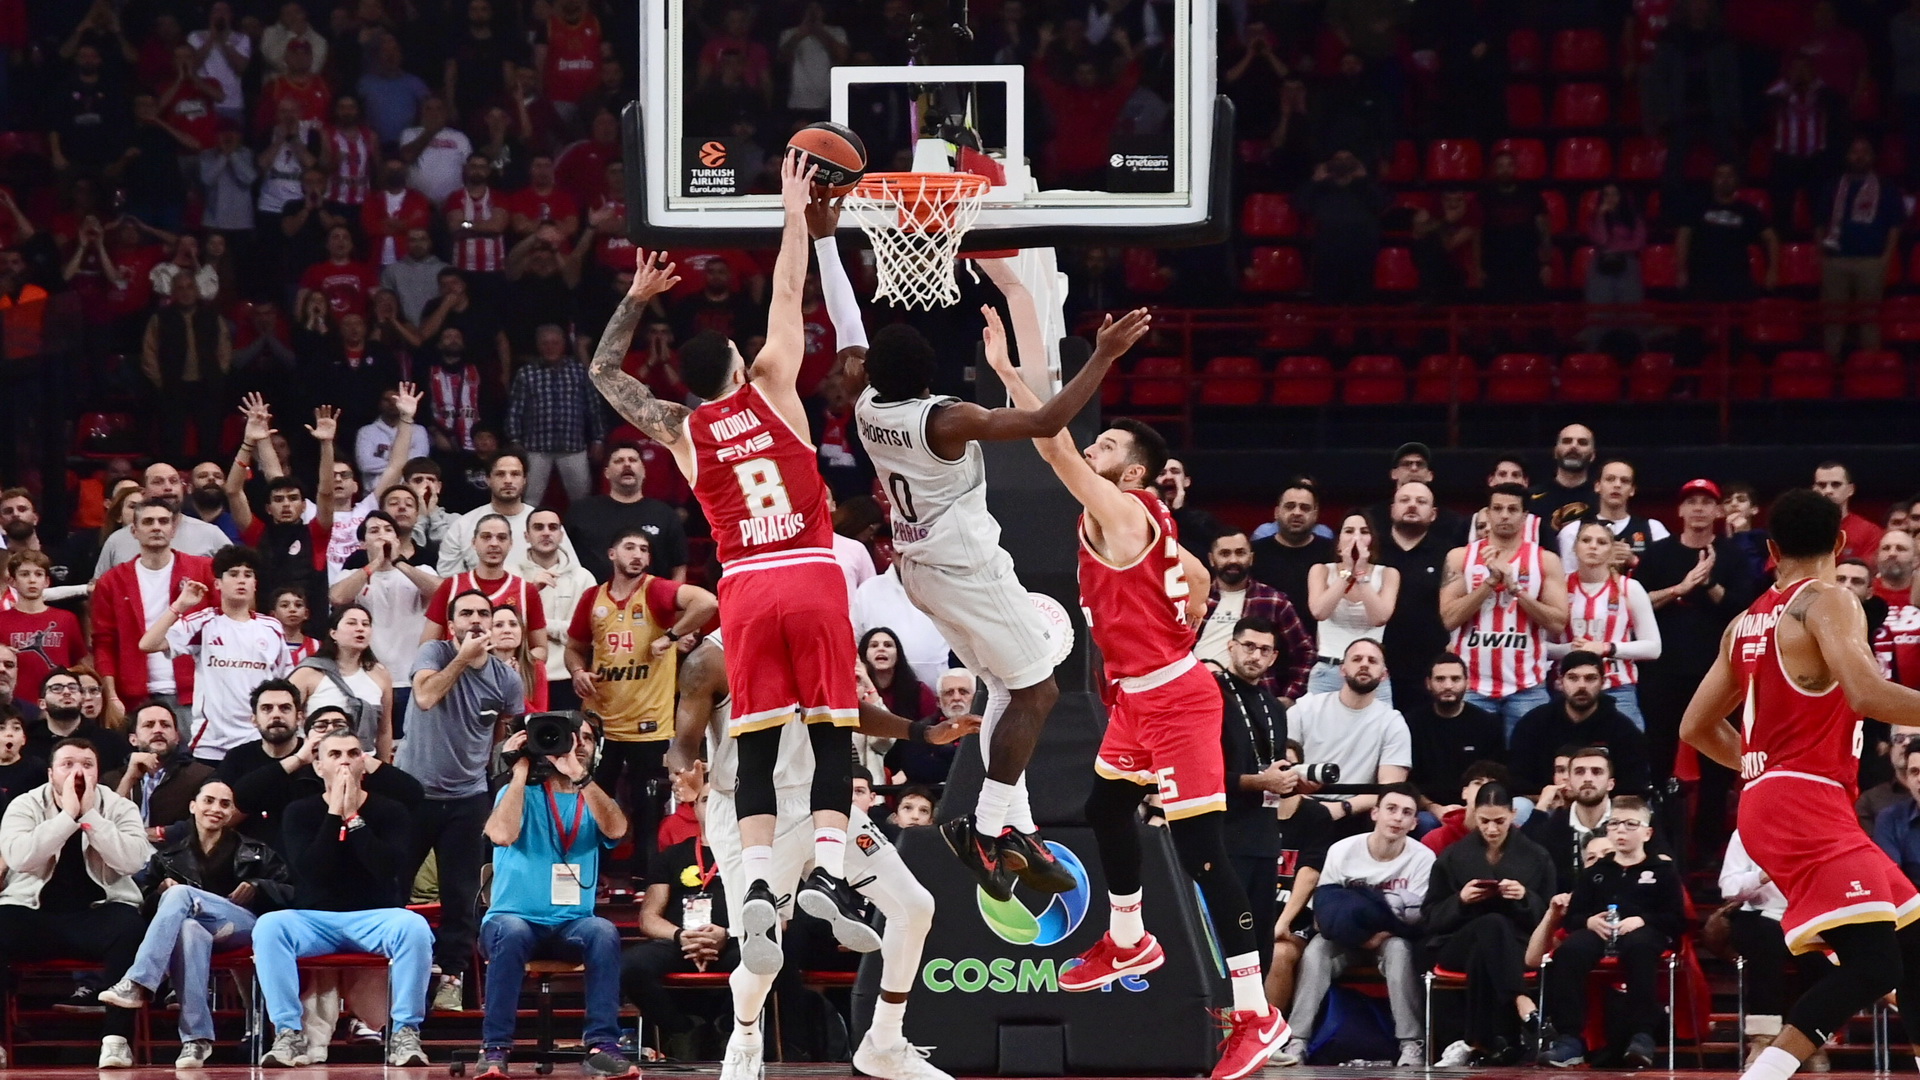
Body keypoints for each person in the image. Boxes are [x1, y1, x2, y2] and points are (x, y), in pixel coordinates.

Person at [586, 156, 870, 975]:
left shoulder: (681, 429)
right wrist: (792, 209)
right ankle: (830, 874)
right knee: (831, 733)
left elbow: (603, 373)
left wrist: (638, 298)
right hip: (809, 569)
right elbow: (788, 288)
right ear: (740, 367)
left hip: (743, 588)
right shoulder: (776, 387)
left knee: (755, 746)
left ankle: (754, 885)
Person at [989, 362, 1286, 1076]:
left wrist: (1006, 373)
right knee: (1106, 806)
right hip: (1138, 697)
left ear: (1133, 474)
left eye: (1108, 444)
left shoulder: (1123, 512)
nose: (1094, 447)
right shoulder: (1133, 520)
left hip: (1177, 702)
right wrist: (1177, 617)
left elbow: (1053, 444)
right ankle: (1129, 940)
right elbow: (1201, 576)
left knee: (1203, 855)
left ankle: (1256, 1014)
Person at [845, 264, 1145, 896]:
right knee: (1038, 691)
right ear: (927, 373)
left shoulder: (865, 406)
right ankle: (985, 830)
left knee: (1004, 686)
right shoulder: (945, 420)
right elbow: (1045, 422)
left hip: (917, 567)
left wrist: (823, 243)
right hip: (966, 571)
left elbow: (852, 349)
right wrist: (1104, 355)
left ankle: (1019, 828)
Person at [1682, 488, 1920, 1080]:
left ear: (1771, 550)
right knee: (1874, 965)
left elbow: (1694, 727)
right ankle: (1762, 1074)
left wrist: (1760, 771)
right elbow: (1866, 693)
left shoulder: (1743, 623)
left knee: (1913, 942)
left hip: (1776, 798)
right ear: (1839, 543)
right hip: (1805, 799)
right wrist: (1781, 776)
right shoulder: (1830, 599)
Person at [664, 631, 968, 1080]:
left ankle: (884, 1041)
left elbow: (847, 710)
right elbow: (683, 741)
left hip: (821, 800)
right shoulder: (710, 659)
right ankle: (744, 1039)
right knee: (763, 956)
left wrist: (919, 731)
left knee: (915, 905)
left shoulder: (814, 634)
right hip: (750, 808)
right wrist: (684, 775)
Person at [253, 728, 432, 1068]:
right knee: (269, 926)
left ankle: (405, 1032)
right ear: (318, 766)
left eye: (353, 754)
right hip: (315, 919)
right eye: (335, 755)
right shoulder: (299, 811)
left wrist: (354, 819)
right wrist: (334, 814)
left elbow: (387, 869)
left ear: (364, 763)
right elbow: (311, 871)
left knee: (415, 927)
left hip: (375, 916)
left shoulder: (391, 810)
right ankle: (288, 1032)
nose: (345, 762)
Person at [477, 719, 638, 1078]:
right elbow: (501, 834)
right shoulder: (519, 793)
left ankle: (602, 1046)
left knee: (602, 931)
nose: (577, 744)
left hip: (571, 925)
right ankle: (494, 1049)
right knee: (512, 930)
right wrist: (520, 771)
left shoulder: (594, 799)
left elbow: (617, 829)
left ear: (597, 750)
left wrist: (580, 777)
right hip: (512, 920)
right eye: (570, 737)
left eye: (586, 739)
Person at [98, 777, 294, 1067]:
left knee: (180, 894)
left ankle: (139, 981)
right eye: (209, 801)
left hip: (242, 927)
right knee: (189, 929)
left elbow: (290, 890)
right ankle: (196, 1039)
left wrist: (258, 885)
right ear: (193, 806)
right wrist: (158, 893)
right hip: (196, 932)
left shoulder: (255, 851)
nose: (216, 808)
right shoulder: (168, 856)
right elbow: (142, 900)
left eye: (224, 804)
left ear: (231, 812)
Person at [396, 589, 525, 1011]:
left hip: (468, 795)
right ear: (451, 624)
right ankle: (390, 976)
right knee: (393, 887)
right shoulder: (433, 653)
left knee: (461, 896)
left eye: (483, 613)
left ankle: (451, 977)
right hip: (414, 791)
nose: (475, 619)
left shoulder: (506, 678)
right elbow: (425, 697)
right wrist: (462, 659)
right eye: (466, 613)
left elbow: (504, 726)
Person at [565, 528, 717, 883]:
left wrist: (670, 636)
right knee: (593, 804)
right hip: (600, 722)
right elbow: (573, 647)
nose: (637, 555)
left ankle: (647, 882)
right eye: (629, 547)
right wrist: (577, 672)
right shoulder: (593, 598)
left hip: (648, 724)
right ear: (611, 554)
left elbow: (708, 602)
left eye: (644, 549)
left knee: (648, 808)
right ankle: (593, 878)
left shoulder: (656, 590)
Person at [0, 739, 154, 1068]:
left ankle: (116, 1041)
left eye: (86, 765)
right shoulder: (25, 804)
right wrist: (67, 816)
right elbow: (19, 858)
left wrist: (89, 817)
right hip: (35, 913)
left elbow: (132, 861)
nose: (77, 772)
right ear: (51, 773)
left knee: (130, 927)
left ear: (98, 773)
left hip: (97, 913)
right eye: (67, 764)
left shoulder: (119, 806)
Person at [1277, 785, 1432, 1068]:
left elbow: (1414, 921)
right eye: (1391, 809)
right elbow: (1322, 916)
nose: (1397, 818)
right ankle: (1297, 1039)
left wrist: (1374, 929)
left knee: (1400, 951)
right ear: (1375, 813)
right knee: (1316, 951)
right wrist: (1366, 928)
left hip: (1388, 939)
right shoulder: (1343, 850)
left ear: (1414, 823)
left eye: (1406, 813)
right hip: (1342, 938)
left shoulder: (1423, 858)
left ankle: (1411, 1044)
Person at [1540, 796, 1685, 1068]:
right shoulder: (1597, 871)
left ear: (1647, 833)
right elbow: (1572, 918)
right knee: (1570, 950)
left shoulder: (1663, 871)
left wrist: (1642, 920)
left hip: (1646, 932)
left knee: (1640, 946)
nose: (1621, 830)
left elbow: (1676, 920)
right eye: (1615, 823)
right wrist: (1589, 921)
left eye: (1631, 824)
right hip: (1601, 931)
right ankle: (1570, 1038)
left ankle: (1642, 1035)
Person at [1424, 782, 1553, 1067]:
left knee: (1487, 943)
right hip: (1458, 940)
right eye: (1484, 821)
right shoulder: (1453, 855)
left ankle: (1476, 1041)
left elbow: (1548, 915)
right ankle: (1521, 1000)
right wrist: (1460, 900)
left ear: (1513, 814)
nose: (1492, 829)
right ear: (1473, 815)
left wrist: (1525, 897)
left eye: (1499, 821)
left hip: (1517, 943)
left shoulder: (1537, 855)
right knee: (1491, 925)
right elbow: (1431, 917)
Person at [139, 545, 291, 764]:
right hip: (211, 744)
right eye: (233, 574)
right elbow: (148, 643)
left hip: (259, 741)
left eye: (248, 575)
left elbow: (284, 683)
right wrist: (180, 605)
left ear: (255, 584)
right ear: (218, 583)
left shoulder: (272, 628)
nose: (241, 580)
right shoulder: (204, 622)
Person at [1440, 484, 1570, 734]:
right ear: (1487, 513)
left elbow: (1557, 623)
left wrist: (1515, 588)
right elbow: (1449, 619)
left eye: (1512, 509)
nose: (1504, 515)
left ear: (1525, 516)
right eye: (1497, 509)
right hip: (1471, 685)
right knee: (1470, 756)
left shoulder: (1546, 560)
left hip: (1527, 686)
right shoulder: (1459, 557)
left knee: (1529, 756)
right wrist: (1490, 582)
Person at [1212, 616, 1295, 979]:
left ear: (1274, 657)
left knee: (1259, 941)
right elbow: (1202, 775)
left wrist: (1291, 782)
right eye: (1248, 646)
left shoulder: (1274, 707)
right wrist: (1261, 781)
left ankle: (1255, 1010)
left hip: (1264, 838)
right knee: (1220, 938)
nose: (1255, 656)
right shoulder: (1212, 695)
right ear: (1231, 646)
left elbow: (1271, 768)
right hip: (1222, 836)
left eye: (1264, 650)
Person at [90, 504, 217, 721]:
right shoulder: (111, 581)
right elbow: (104, 643)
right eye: (148, 522)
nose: (156, 527)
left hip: (196, 691)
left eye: (163, 521)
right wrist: (111, 696)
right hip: (135, 696)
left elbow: (222, 625)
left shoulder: (203, 569)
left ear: (173, 529)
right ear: (134, 531)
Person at [1722, 829, 1821, 1068]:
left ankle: (1809, 1039)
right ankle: (1763, 1038)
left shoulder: (1821, 829)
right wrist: (1762, 876)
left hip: (1812, 915)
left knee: (1822, 955)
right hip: (1760, 914)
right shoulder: (1746, 833)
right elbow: (1729, 888)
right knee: (1765, 941)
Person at [1551, 520, 1663, 730]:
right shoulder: (1559, 587)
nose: (1593, 546)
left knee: (1627, 749)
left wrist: (1606, 648)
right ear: (1574, 547)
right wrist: (1572, 650)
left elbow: (1653, 647)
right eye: (1586, 540)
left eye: (1601, 542)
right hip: (1567, 691)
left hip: (1618, 689)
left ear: (1612, 550)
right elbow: (1540, 646)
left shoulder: (1629, 588)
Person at [1287, 638, 1413, 823]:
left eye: (1372, 661)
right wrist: (1306, 802)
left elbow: (1390, 789)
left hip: (1356, 811)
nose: (1364, 664)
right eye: (1357, 659)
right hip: (1299, 804)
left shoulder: (1392, 722)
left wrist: (1343, 808)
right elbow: (1281, 768)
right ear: (1342, 669)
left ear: (1384, 675)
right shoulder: (1305, 708)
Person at [1510, 654, 1652, 797]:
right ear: (1560, 682)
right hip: (1545, 801)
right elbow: (1519, 781)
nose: (1581, 685)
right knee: (1521, 805)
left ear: (1603, 682)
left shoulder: (1623, 730)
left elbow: (1633, 786)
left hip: (1604, 805)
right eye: (1573, 678)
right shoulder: (1534, 723)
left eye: (1590, 678)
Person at [1196, 531, 1314, 705]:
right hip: (1198, 692)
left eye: (1240, 553)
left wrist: (1290, 695)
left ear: (1251, 558)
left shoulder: (1274, 601)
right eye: (1225, 553)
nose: (1233, 560)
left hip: (1254, 698)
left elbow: (1305, 651)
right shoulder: (1195, 597)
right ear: (1211, 559)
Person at [1376, 481, 1455, 715]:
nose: (1412, 506)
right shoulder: (1374, 551)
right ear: (1392, 509)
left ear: (1433, 514)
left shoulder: (1448, 554)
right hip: (1379, 663)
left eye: (1421, 502)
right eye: (1405, 500)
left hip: (1428, 667)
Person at [1268, 740, 1336, 1012]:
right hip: (1251, 916)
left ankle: (1268, 1033)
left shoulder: (1315, 815)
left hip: (1294, 918)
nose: (1285, 775)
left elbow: (1309, 874)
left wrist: (1282, 924)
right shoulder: (1247, 814)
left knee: (1278, 954)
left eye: (1291, 767)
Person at [1306, 514, 1401, 700]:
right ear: (1338, 542)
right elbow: (1319, 611)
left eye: (1364, 532)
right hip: (1329, 669)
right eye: (1349, 531)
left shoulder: (1388, 574)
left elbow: (1380, 617)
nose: (1356, 538)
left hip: (1371, 672)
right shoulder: (1321, 570)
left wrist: (1361, 575)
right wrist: (1347, 573)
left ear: (1372, 540)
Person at [565, 443, 688, 582]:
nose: (627, 465)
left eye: (633, 460)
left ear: (644, 471)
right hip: (592, 593)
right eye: (619, 461)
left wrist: (672, 595)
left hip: (650, 595)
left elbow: (679, 568)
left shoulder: (665, 515)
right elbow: (562, 560)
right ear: (606, 473)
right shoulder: (581, 511)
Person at [516, 510, 598, 710]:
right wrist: (530, 592)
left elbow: (590, 632)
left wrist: (539, 628)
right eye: (538, 527)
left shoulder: (583, 577)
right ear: (526, 536)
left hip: (569, 677)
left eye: (552, 527)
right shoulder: (514, 575)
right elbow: (507, 628)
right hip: (525, 675)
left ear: (561, 535)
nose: (546, 533)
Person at [1405, 655, 1505, 816]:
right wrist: (1433, 807)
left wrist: (1470, 809)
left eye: (1455, 679)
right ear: (1428, 683)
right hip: (1427, 809)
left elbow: (1494, 778)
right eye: (1440, 679)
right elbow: (1407, 781)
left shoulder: (1487, 724)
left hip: (1476, 808)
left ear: (1468, 682)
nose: (1448, 686)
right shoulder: (1411, 723)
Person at [291, 604, 394, 758]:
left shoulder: (380, 674)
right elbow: (288, 722)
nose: (360, 629)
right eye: (351, 623)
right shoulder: (308, 673)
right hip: (318, 760)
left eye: (365, 624)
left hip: (364, 761)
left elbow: (384, 730)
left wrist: (384, 767)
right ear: (333, 633)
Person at [1522, 747, 1623, 892]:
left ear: (1610, 784)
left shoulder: (1631, 822)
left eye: (1596, 772)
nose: (1588, 778)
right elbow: (1524, 853)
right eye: (1579, 772)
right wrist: (1541, 807)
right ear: (1569, 781)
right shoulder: (1553, 827)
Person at [104, 703, 215, 831]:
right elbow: (104, 826)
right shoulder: (111, 780)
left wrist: (163, 833)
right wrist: (129, 779)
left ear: (177, 737)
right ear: (133, 739)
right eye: (149, 725)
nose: (158, 730)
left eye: (165, 725)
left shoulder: (200, 776)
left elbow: (205, 822)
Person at [1252, 482, 1337, 640]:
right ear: (1277, 512)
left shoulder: (1332, 552)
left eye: (1305, 508)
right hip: (1265, 642)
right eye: (1290, 506)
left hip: (1320, 642)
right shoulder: (1255, 552)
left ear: (1315, 514)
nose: (1297, 512)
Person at [0, 550, 87, 703]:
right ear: (12, 581)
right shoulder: (2, 621)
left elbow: (80, 662)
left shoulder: (66, 619)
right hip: (16, 703)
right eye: (24, 574)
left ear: (47, 581)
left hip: (58, 700)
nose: (32, 580)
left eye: (38, 574)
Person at [1553, 461, 1670, 572]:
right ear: (1597, 486)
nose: (1617, 485)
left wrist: (1634, 561)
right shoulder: (1572, 531)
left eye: (1624, 481)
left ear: (1632, 490)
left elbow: (1666, 575)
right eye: (1610, 479)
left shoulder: (1654, 529)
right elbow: (1565, 578)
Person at [1812, 461, 1884, 565]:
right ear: (1814, 490)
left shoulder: (1870, 532)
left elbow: (1866, 571)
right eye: (1822, 485)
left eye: (1836, 484)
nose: (1828, 490)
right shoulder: (1800, 531)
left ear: (1850, 490)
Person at [1530, 425, 1599, 526]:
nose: (1574, 446)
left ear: (1593, 455)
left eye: (1582, 442)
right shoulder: (1531, 498)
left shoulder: (1601, 498)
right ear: (1555, 452)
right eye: (1567, 441)